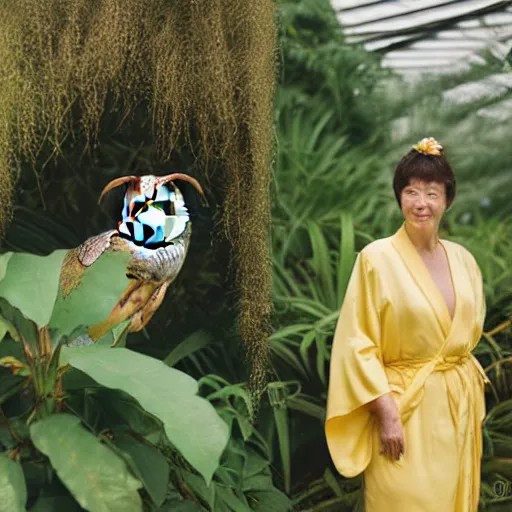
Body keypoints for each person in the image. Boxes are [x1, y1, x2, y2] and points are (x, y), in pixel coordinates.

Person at [325, 137, 489, 511]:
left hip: (456, 408)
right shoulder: (376, 259)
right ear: (399, 197)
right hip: (404, 409)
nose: (421, 203)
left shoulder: (464, 260)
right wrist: (386, 415)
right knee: (403, 500)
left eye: (432, 193)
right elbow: (357, 342)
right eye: (411, 191)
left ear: (447, 199)